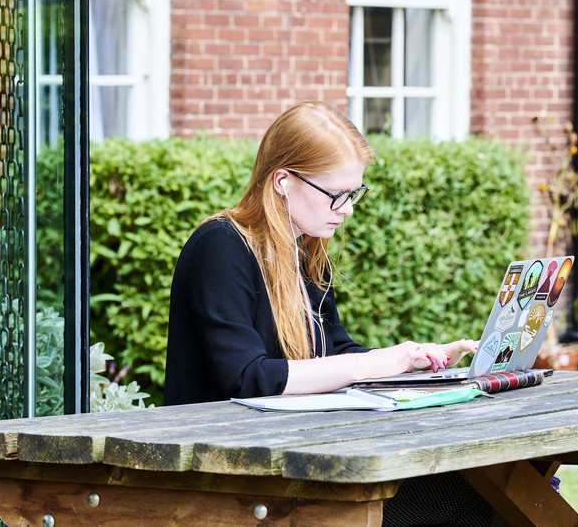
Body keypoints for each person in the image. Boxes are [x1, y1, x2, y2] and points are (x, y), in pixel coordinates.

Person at [163, 101, 493, 526]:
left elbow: (335, 350)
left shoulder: (304, 251)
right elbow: (246, 378)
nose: (348, 208)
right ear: (283, 180)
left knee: (481, 488)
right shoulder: (221, 245)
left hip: (289, 462)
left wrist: (412, 362)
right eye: (337, 195)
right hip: (227, 479)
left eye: (354, 193)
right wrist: (375, 362)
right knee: (479, 497)